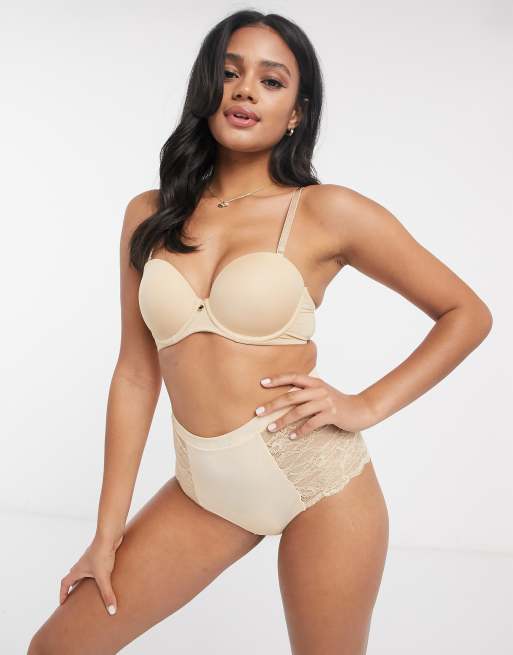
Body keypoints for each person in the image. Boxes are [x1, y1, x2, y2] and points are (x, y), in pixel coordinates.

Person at [27, 9, 493, 655]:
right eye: (229, 73)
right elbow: (135, 374)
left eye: (271, 81)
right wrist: (106, 533)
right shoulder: (150, 214)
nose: (245, 90)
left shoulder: (328, 211)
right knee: (56, 647)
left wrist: (364, 405)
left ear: (296, 112)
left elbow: (466, 313)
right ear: (207, 87)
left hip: (319, 486)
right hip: (205, 490)